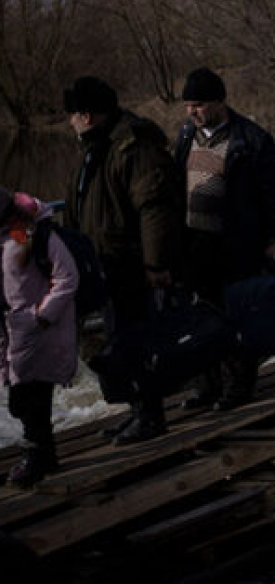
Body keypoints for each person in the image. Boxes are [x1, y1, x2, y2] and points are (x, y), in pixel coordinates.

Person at [63, 76, 183, 445]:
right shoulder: (98, 146)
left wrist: (156, 264)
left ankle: (150, 414)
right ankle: (136, 409)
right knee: (120, 338)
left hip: (132, 263)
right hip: (107, 264)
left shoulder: (133, 145)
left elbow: (154, 208)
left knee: (137, 339)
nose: (70, 122)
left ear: (86, 115)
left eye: (72, 114)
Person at [173, 67, 275, 411]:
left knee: (237, 314)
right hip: (195, 242)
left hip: (236, 242)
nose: (192, 111)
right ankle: (205, 385)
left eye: (199, 105)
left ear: (219, 102)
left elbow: (272, 195)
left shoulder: (251, 139)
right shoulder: (184, 135)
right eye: (189, 105)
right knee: (199, 316)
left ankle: (238, 385)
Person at [1, 190, 78, 487]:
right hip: (13, 330)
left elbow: (67, 277)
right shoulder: (10, 238)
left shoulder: (26, 235)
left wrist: (42, 316)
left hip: (36, 328)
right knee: (21, 399)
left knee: (31, 396)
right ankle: (43, 454)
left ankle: (37, 456)